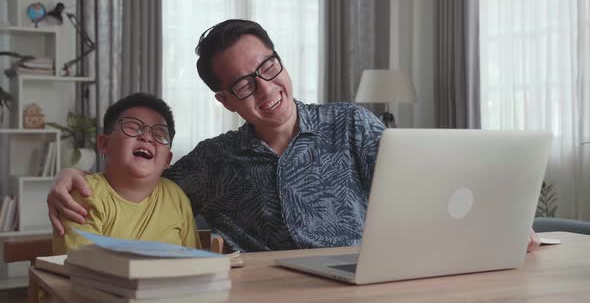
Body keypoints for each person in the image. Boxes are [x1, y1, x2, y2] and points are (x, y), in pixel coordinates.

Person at [47, 19, 541, 253]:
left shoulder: (350, 123)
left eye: (268, 66)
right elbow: (140, 178)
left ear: (279, 59)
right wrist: (77, 176)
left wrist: (497, 225)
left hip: (365, 283)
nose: (265, 89)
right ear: (226, 100)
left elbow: (428, 188)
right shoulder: (214, 160)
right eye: (243, 83)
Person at [52, 93, 201, 254]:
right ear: (104, 144)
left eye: (159, 134)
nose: (147, 137)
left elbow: (193, 262)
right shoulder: (85, 193)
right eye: (133, 127)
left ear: (168, 160)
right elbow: (84, 270)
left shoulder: (176, 197)